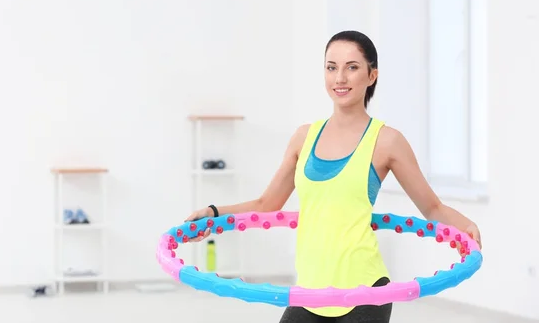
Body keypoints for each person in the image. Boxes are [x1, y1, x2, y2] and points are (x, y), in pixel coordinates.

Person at [184, 30, 482, 323]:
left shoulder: (386, 141)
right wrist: (213, 215)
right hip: (311, 292)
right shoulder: (303, 137)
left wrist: (464, 227)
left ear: (371, 75)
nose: (340, 78)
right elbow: (266, 205)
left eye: (352, 67)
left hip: (365, 291)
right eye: (331, 67)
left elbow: (432, 208)